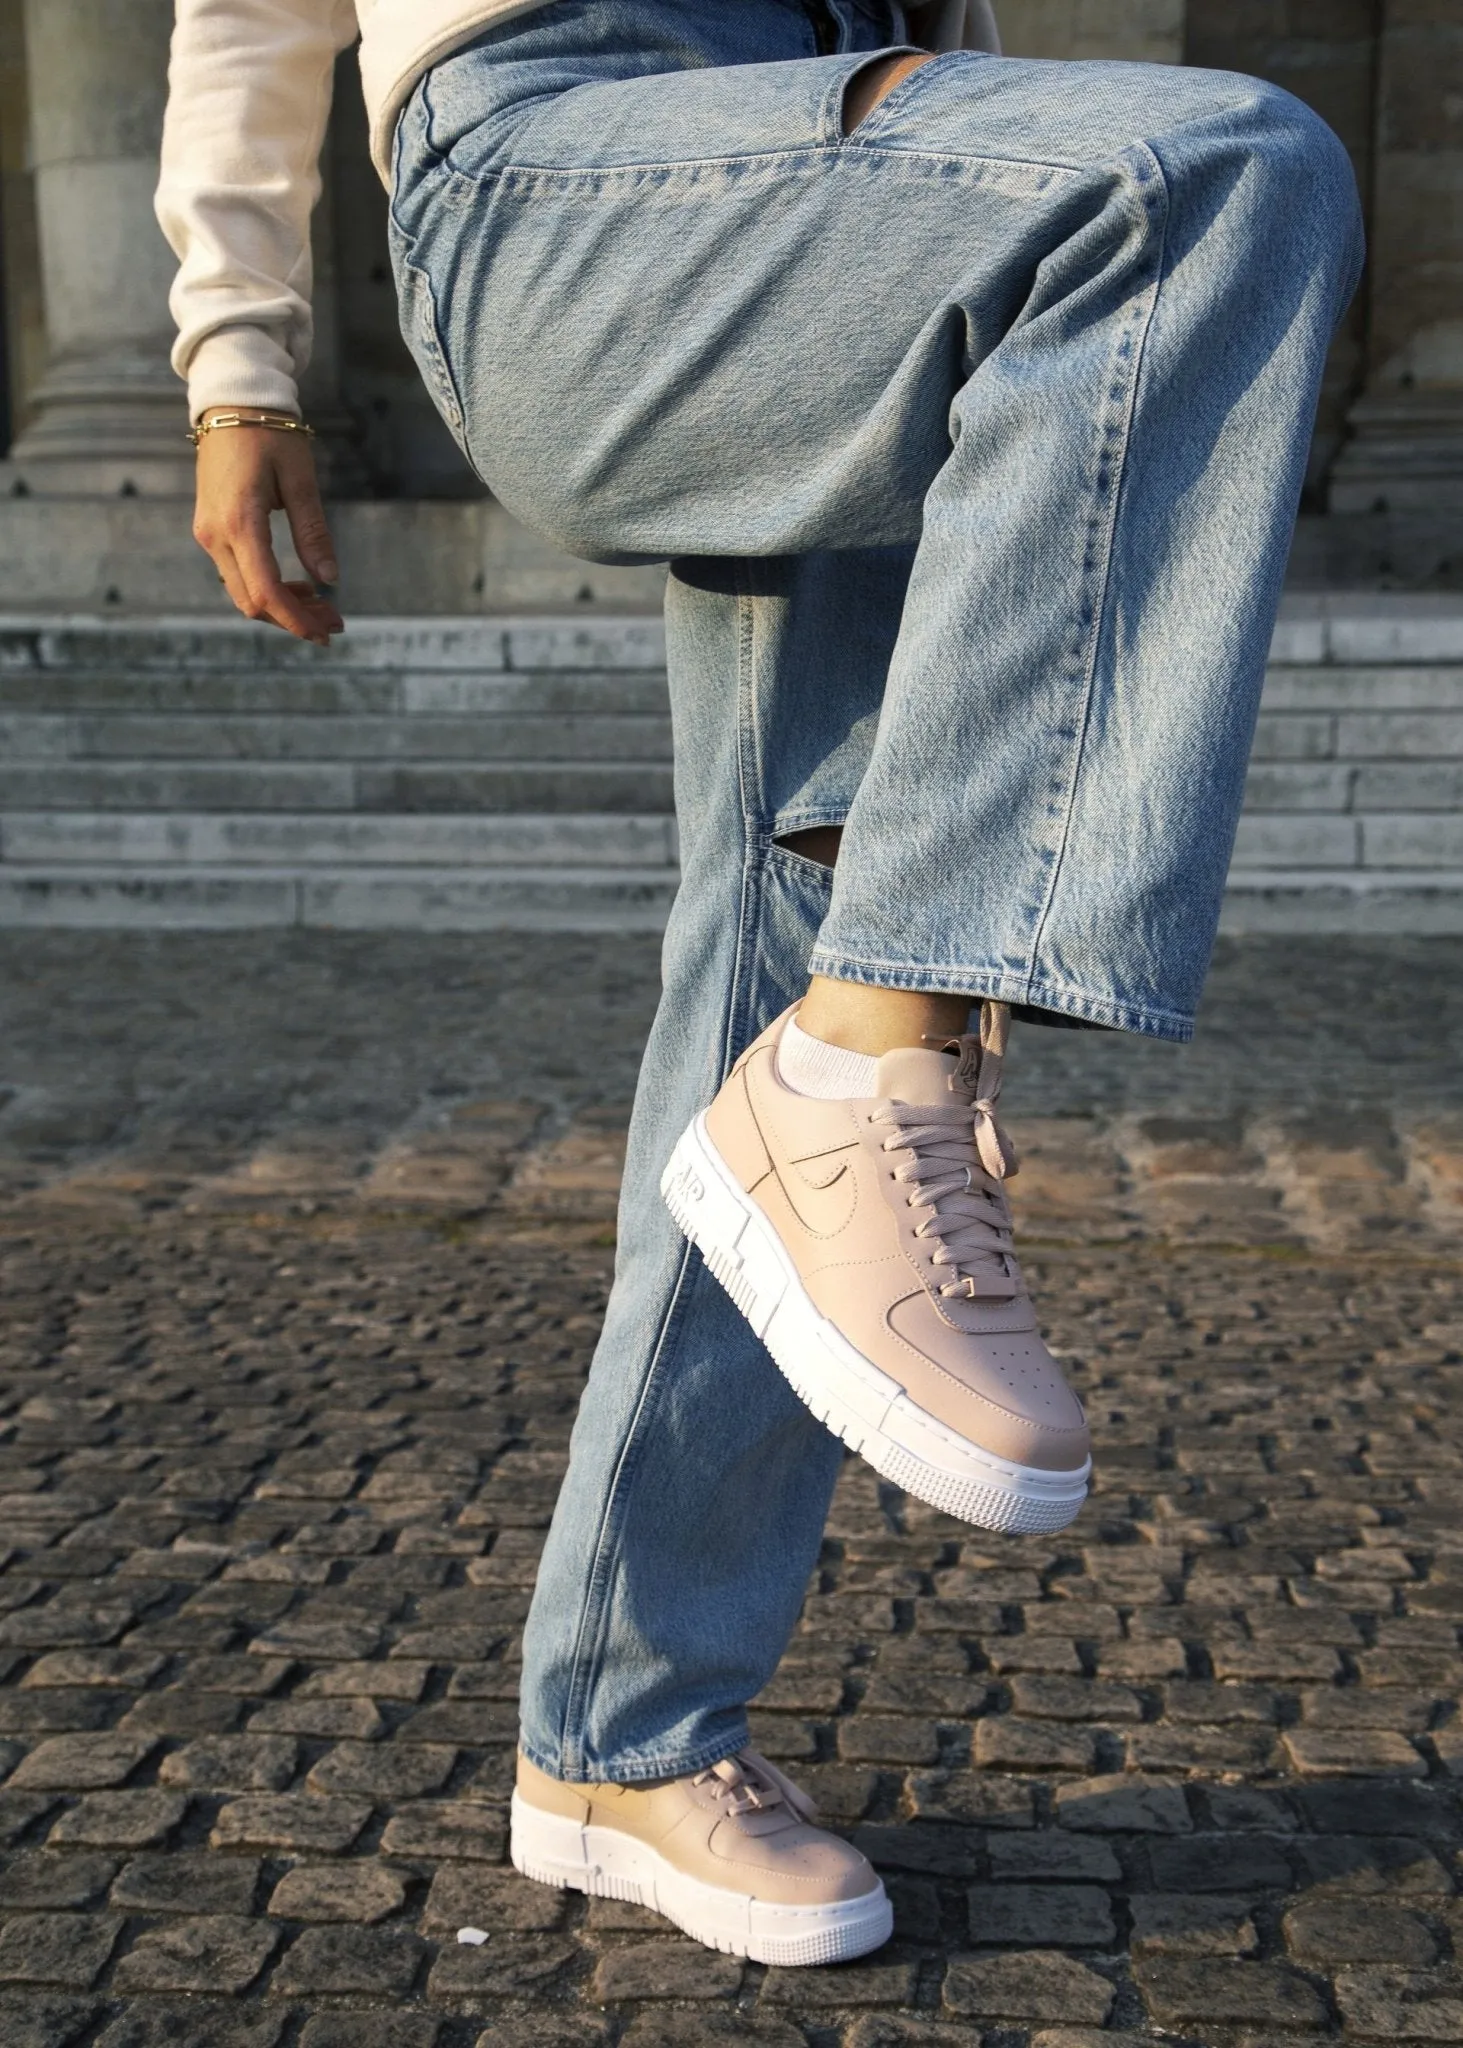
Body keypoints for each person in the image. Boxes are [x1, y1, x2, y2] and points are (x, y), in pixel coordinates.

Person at [159, 0, 1362, 1966]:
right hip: (556, 160)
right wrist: (236, 351)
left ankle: (619, 1741)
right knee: (1205, 180)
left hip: (851, 149)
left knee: (789, 932)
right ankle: (872, 1065)